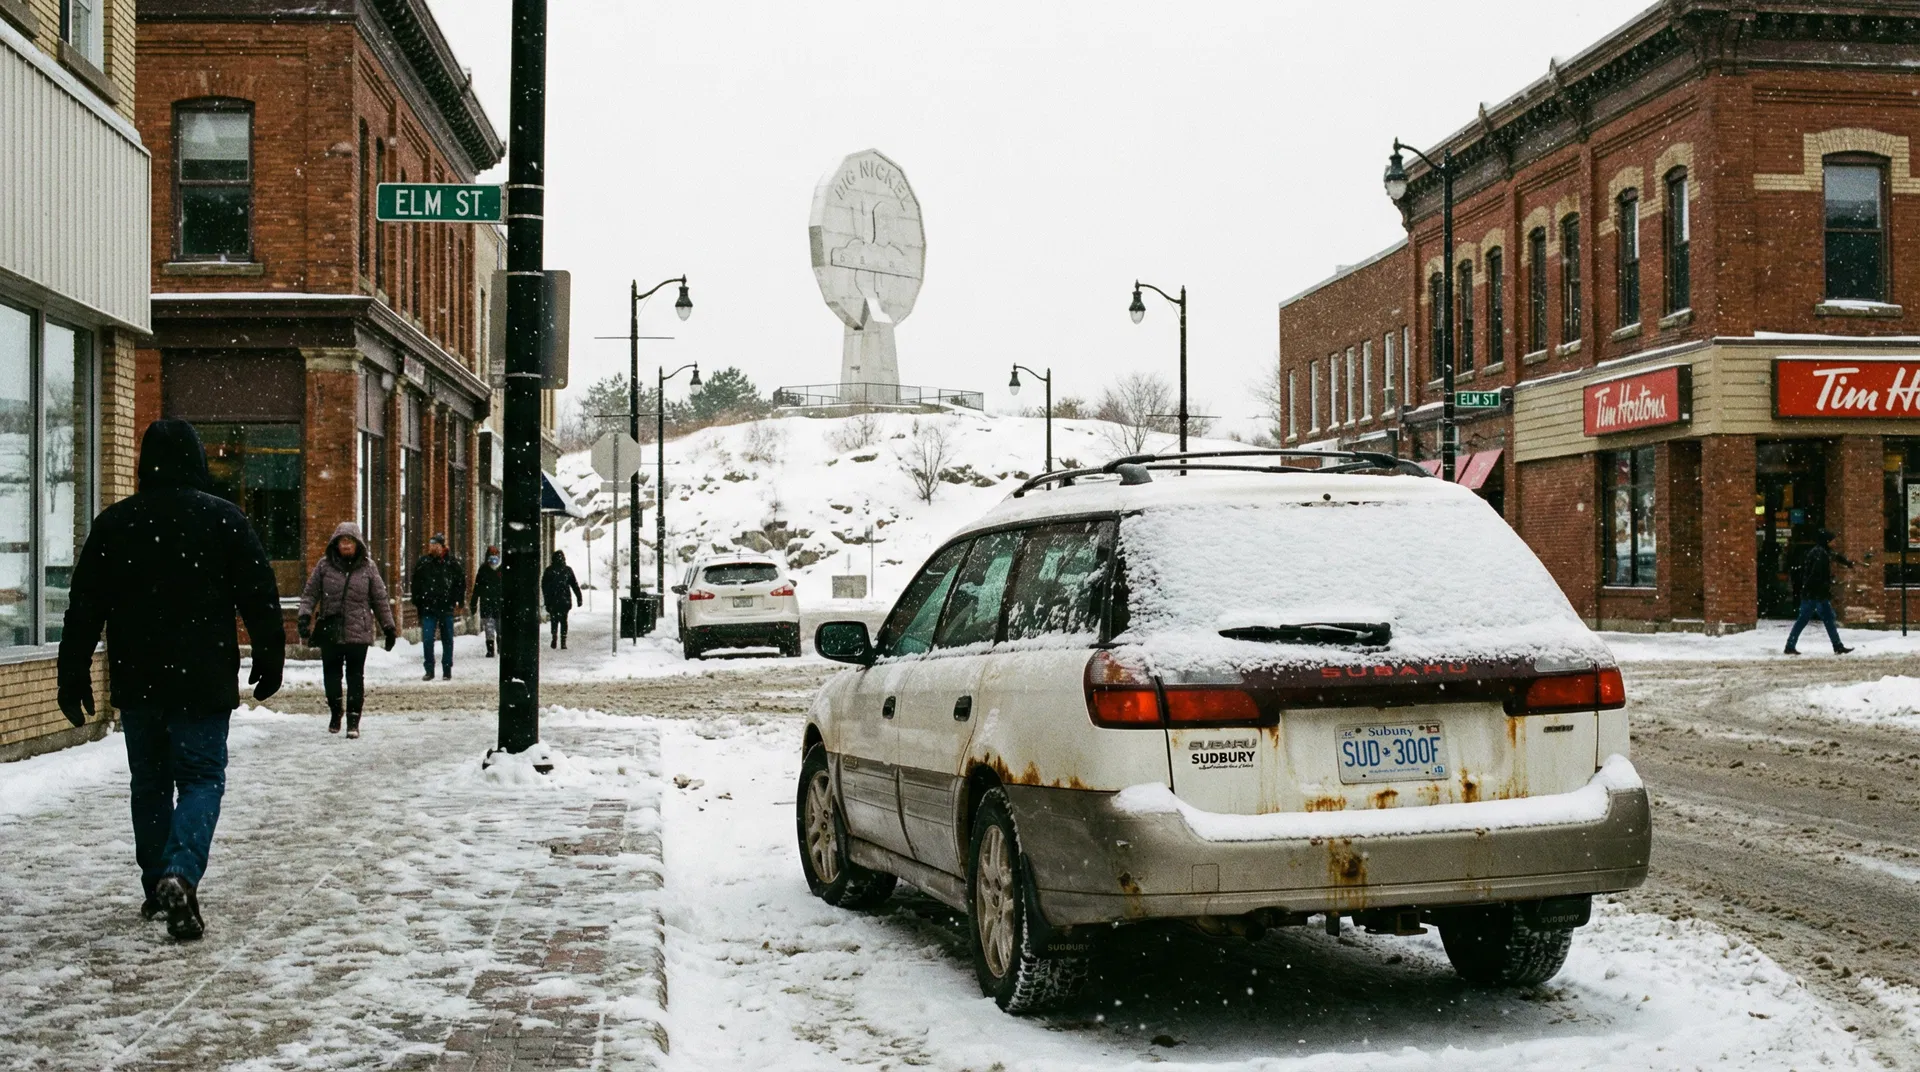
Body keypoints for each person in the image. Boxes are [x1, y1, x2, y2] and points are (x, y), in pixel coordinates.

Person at [56, 420, 284, 942]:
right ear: (197, 461)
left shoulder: (116, 524)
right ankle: (181, 871)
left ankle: (157, 880)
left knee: (150, 784)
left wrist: (72, 672)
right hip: (203, 679)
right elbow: (259, 593)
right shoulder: (224, 519)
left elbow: (84, 606)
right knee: (202, 778)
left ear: (144, 464)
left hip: (139, 679)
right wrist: (269, 654)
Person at [298, 522, 398, 738]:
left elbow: (380, 599)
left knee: (355, 678)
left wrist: (389, 627)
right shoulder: (324, 566)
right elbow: (310, 594)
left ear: (357, 544)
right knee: (331, 677)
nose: (346, 545)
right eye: (342, 541)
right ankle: (336, 712)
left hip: (358, 631)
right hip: (330, 630)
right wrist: (304, 617)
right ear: (336, 543)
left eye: (350, 541)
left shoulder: (368, 568)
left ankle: (353, 721)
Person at [1785, 528, 1856, 655]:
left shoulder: (1822, 551)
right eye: (1833, 540)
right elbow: (1816, 575)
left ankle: (1837, 646)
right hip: (1814, 594)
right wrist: (1825, 587)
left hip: (1816, 593)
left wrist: (1847, 563)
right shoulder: (1820, 554)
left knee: (1826, 618)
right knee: (1804, 619)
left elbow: (1835, 556)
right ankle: (1790, 646)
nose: (1835, 543)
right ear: (1827, 541)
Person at [412, 534, 466, 680]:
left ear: (442, 546)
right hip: (428, 607)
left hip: (446, 607)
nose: (433, 548)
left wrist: (458, 601)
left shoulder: (451, 563)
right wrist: (418, 601)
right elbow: (416, 583)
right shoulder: (424, 563)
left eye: (435, 545)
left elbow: (460, 582)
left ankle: (447, 669)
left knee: (447, 639)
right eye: (431, 545)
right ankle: (429, 669)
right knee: (428, 639)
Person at [542, 550, 583, 649]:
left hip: (553, 600)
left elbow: (544, 586)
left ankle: (554, 637)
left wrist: (546, 600)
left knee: (554, 620)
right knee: (564, 620)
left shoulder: (549, 570)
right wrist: (579, 597)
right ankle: (563, 641)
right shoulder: (567, 570)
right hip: (564, 600)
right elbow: (574, 585)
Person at [472, 545, 502, 658]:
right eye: (491, 554)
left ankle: (500, 646)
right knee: (489, 628)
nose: (494, 557)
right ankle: (490, 649)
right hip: (487, 603)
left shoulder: (502, 569)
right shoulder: (483, 569)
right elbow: (477, 587)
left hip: (500, 603)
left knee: (500, 627)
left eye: (495, 554)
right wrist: (474, 603)